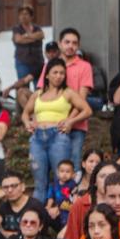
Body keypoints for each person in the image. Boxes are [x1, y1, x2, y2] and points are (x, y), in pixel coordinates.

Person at [22, 57, 93, 201]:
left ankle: (60, 217)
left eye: (62, 73)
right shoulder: (38, 94)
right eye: (55, 72)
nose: (59, 76)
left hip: (58, 137)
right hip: (37, 138)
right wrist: (27, 123)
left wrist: (71, 121)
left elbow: (87, 110)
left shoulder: (67, 92)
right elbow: (25, 112)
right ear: (47, 75)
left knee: (61, 180)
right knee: (39, 182)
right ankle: (38, 217)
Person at [37, 28, 94, 169]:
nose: (70, 46)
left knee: (72, 165)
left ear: (78, 46)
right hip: (49, 125)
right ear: (60, 44)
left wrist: (69, 121)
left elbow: (82, 98)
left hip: (76, 125)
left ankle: (72, 192)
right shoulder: (50, 65)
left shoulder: (85, 66)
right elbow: (40, 94)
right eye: (67, 42)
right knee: (51, 167)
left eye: (74, 43)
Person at [64, 161, 119, 239]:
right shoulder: (80, 204)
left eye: (112, 176)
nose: (107, 180)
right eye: (102, 176)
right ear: (95, 182)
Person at [0, 170, 48, 239]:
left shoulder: (35, 206)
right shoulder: (3, 207)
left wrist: (3, 232)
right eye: (5, 187)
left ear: (23, 187)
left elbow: (34, 234)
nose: (10, 190)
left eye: (14, 186)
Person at [3, 40, 61, 110]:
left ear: (58, 52)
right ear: (45, 53)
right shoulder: (42, 67)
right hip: (41, 97)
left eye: (54, 51)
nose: (51, 54)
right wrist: (10, 88)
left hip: (57, 98)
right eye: (49, 52)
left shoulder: (62, 66)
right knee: (21, 91)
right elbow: (25, 80)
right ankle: (30, 117)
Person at [9, 5, 45, 108]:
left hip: (38, 62)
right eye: (21, 14)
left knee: (40, 86)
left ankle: (40, 109)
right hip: (22, 62)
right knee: (22, 86)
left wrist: (25, 36)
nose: (23, 17)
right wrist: (33, 37)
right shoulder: (17, 28)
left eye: (26, 14)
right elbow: (18, 40)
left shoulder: (37, 27)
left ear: (31, 16)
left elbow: (41, 35)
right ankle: (23, 112)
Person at [45, 160, 77, 230]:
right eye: (62, 171)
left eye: (68, 172)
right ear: (57, 172)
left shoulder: (72, 184)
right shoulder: (54, 184)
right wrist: (48, 206)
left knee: (65, 221)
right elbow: (51, 197)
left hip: (67, 208)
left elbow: (74, 197)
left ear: (73, 174)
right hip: (57, 208)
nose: (64, 174)